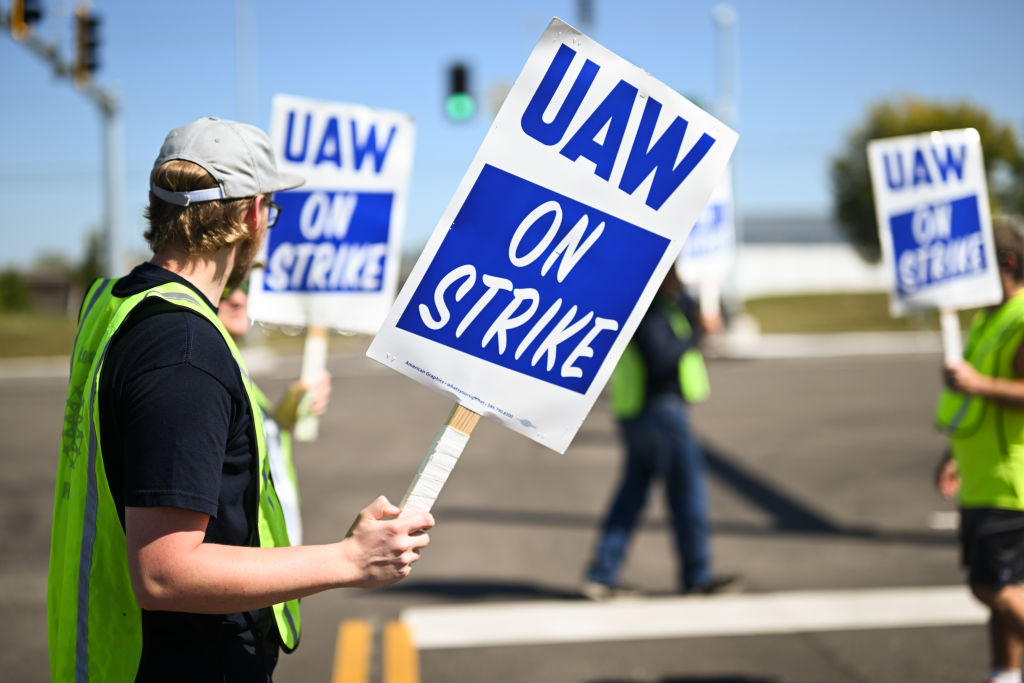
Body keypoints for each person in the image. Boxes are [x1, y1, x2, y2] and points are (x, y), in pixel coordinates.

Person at [48, 116, 434, 682]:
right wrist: (347, 559)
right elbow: (165, 572)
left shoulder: (117, 302)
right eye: (270, 212)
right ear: (252, 215)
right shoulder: (182, 348)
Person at [581, 267, 738, 600]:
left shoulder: (661, 305)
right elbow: (661, 356)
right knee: (687, 492)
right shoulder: (649, 310)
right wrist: (697, 332)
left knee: (632, 495)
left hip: (641, 410)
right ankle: (697, 575)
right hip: (659, 411)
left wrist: (700, 312)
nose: (680, 277)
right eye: (674, 271)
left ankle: (602, 574)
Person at [935, 214, 1024, 683]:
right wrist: (952, 455)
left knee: (990, 585)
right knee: (1005, 592)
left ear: (1007, 263)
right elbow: (977, 408)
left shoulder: (1021, 317)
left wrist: (978, 382)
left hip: (1010, 484)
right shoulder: (989, 318)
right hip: (984, 477)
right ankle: (1004, 676)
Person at [218, 281, 332, 546]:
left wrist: (287, 408)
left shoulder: (233, 368)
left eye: (244, 285)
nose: (238, 299)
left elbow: (255, 435)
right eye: (225, 288)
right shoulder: (209, 374)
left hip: (278, 543)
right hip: (252, 556)